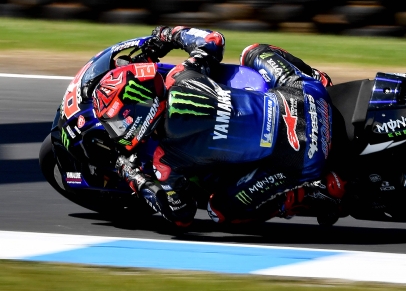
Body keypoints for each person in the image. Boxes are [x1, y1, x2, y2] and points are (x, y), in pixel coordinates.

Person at [94, 25, 347, 229]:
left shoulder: (166, 159)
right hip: (307, 95)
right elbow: (213, 39)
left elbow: (181, 215)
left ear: (139, 112)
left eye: (117, 122)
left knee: (218, 212)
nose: (115, 130)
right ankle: (319, 78)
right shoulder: (182, 75)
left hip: (302, 154)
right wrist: (166, 35)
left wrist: (134, 178)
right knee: (252, 51)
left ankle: (305, 195)